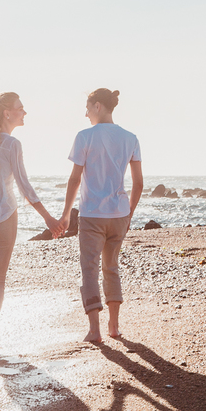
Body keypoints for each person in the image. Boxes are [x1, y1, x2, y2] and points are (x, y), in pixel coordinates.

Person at [0, 92, 62, 355]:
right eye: (21, 108)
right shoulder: (11, 144)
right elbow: (24, 186)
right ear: (7, 113)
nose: (24, 112)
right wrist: (48, 218)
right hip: (3, 216)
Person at [58, 88, 143, 343]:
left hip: (92, 214)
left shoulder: (85, 137)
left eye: (87, 108)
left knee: (89, 269)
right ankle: (114, 327)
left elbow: (74, 179)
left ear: (98, 106)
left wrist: (65, 215)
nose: (85, 114)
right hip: (119, 215)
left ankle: (95, 330)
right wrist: (128, 214)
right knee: (111, 268)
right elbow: (138, 184)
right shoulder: (131, 138)